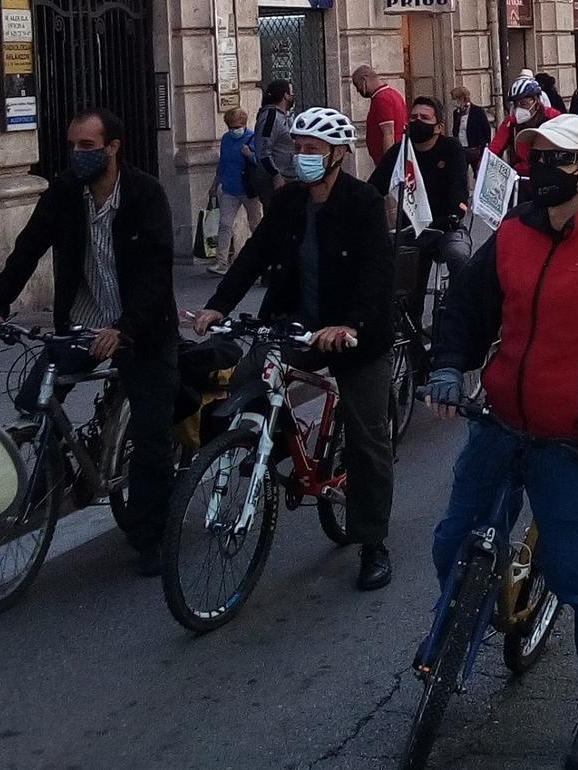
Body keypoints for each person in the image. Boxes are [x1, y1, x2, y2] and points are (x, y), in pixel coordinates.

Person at [423, 113, 578, 770]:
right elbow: (467, 309)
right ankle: (460, 637)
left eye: (559, 158)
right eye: (535, 155)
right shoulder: (512, 234)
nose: (541, 168)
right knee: (453, 542)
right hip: (502, 422)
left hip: (577, 443)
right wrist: (449, 363)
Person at [189, 107, 398, 591]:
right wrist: (217, 306)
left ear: (339, 155)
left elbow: (377, 277)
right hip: (297, 325)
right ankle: (258, 448)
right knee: (247, 378)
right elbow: (254, 256)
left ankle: (372, 543)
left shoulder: (364, 202)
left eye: (313, 150)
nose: (302, 157)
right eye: (298, 148)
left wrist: (350, 324)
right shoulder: (287, 204)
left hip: (354, 333)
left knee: (368, 439)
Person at [0, 108, 179, 577]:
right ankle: (53, 468)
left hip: (140, 330)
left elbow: (154, 273)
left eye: (87, 146)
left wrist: (125, 328)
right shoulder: (65, 192)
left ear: (112, 148)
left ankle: (150, 537)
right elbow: (28, 247)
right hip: (82, 325)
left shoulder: (145, 194)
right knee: (34, 401)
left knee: (151, 435)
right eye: (72, 146)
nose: (77, 154)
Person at [369, 96, 469, 324]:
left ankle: (459, 314)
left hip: (447, 227)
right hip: (411, 230)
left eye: (424, 118)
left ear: (439, 127)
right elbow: (373, 190)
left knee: (459, 256)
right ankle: (411, 344)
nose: (417, 121)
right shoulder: (399, 152)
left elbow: (458, 186)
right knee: (405, 295)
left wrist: (455, 212)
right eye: (413, 117)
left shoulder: (450, 148)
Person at [206, 107, 264, 276]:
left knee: (256, 225)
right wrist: (214, 185)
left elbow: (260, 161)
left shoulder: (252, 138)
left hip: (248, 189)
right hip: (230, 188)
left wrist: (249, 155)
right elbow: (222, 164)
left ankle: (261, 258)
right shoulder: (225, 139)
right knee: (225, 225)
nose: (233, 130)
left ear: (243, 124)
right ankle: (221, 261)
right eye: (230, 127)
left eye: (235, 126)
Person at [489, 76, 563, 178]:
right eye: (515, 104)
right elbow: (494, 148)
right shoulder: (511, 122)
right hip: (522, 177)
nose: (518, 108)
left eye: (523, 103)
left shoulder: (553, 118)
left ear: (536, 101)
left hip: (549, 175)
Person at [253, 79, 297, 213]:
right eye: (291, 93)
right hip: (275, 182)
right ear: (285, 95)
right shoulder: (271, 117)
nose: (293, 97)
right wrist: (276, 175)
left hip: (288, 178)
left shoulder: (283, 116)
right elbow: (263, 150)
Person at [352, 65, 408, 165]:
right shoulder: (393, 94)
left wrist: (388, 164)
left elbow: (388, 133)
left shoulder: (381, 99)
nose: (358, 90)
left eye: (357, 85)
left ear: (364, 79)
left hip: (390, 160)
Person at [451, 85, 492, 175]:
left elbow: (486, 130)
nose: (454, 102)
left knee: (479, 174)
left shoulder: (477, 111)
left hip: (475, 149)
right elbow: (456, 129)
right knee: (460, 174)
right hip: (462, 149)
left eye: (456, 99)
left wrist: (484, 148)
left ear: (463, 98)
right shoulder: (456, 113)